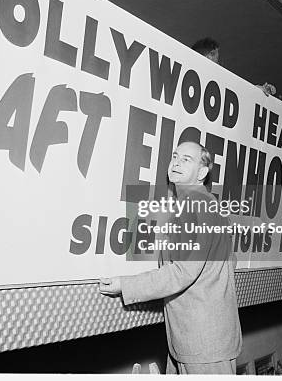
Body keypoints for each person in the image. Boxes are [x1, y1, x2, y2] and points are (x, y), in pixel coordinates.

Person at [99, 141, 242, 374]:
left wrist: (125, 285)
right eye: (175, 156)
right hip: (200, 337)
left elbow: (183, 272)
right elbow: (230, 261)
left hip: (202, 342)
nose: (176, 162)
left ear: (202, 173)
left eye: (187, 159)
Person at [191, 37, 277, 97]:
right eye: (212, 55)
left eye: (217, 58)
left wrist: (256, 90)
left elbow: (237, 90)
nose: (216, 62)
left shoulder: (219, 81)